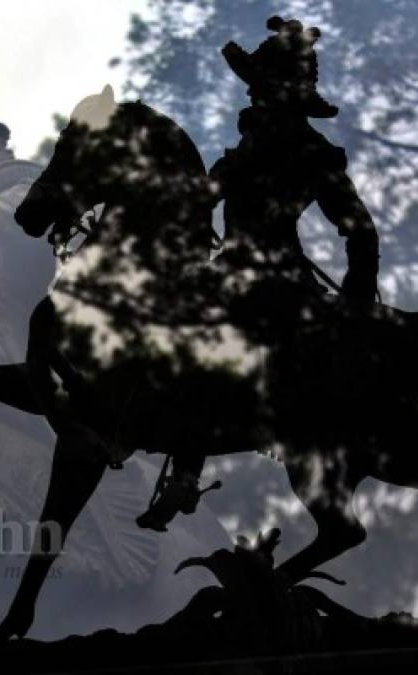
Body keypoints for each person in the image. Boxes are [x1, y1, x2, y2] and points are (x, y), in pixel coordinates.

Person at [136, 16, 381, 531]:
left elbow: (358, 230)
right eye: (254, 86)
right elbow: (199, 203)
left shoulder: (312, 153)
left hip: (277, 279)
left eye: (262, 85)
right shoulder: (249, 148)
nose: (254, 96)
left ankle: (185, 469)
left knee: (204, 342)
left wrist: (358, 298)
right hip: (231, 269)